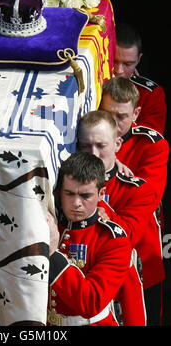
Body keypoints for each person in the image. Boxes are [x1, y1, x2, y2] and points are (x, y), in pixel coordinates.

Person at [78, 109, 164, 325]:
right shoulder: (68, 185)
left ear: (117, 145)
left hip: (130, 291)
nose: (93, 154)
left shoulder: (137, 190)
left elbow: (128, 235)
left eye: (101, 146)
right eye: (85, 146)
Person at [99, 77, 169, 325]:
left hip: (139, 253)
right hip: (95, 257)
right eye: (108, 115)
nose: (114, 124)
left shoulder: (152, 145)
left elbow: (144, 202)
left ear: (136, 113)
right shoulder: (89, 139)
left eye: (122, 116)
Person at [47, 152, 132, 326]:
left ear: (101, 194)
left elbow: (91, 302)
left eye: (85, 196)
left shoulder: (114, 241)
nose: (76, 203)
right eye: (69, 194)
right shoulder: (52, 222)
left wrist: (53, 255)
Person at [114, 22, 166, 134]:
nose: (119, 70)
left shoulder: (150, 94)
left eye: (127, 64)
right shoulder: (93, 81)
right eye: (114, 61)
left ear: (138, 60)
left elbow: (149, 143)